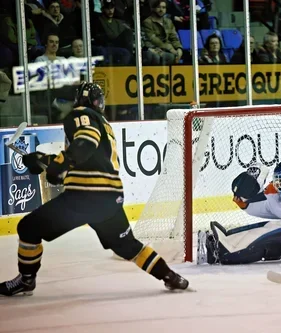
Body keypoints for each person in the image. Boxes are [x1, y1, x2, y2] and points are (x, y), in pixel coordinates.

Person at [0, 82, 188, 296]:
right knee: (129, 246)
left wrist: (55, 163)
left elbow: (85, 144)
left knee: (28, 228)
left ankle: (26, 280)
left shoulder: (81, 114)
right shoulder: (104, 123)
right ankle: (170, 276)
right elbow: (75, 164)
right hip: (110, 199)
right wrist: (46, 163)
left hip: (85, 196)